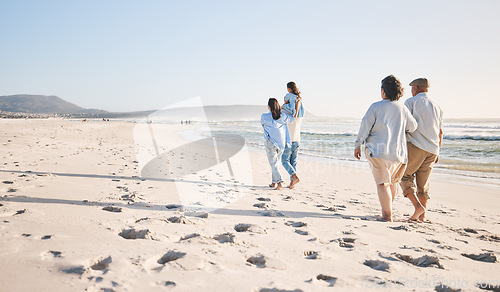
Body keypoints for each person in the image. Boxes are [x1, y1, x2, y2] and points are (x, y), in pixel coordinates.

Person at [354, 75, 417, 222]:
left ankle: (387, 216)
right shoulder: (403, 108)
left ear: (383, 91)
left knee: (382, 183)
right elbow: (413, 127)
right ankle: (386, 211)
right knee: (391, 183)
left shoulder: (375, 106)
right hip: (398, 154)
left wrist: (357, 145)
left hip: (378, 151)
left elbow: (365, 126)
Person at [401, 78, 443, 222]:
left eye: (412, 87)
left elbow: (405, 125)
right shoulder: (437, 106)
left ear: (417, 88)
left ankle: (418, 208)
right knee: (423, 184)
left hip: (416, 146)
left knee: (404, 176)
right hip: (433, 149)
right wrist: (438, 150)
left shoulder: (411, 102)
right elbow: (440, 132)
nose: (411, 90)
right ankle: (422, 217)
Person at [261, 98, 294, 190]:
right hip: (281, 144)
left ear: (269, 107)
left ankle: (279, 182)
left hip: (270, 143)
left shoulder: (264, 117)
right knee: (275, 163)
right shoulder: (283, 117)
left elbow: (263, 124)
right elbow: (292, 119)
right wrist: (285, 106)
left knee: (273, 163)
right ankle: (273, 183)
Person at [281, 81, 305, 189]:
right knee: (293, 162)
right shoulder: (299, 114)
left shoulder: (287, 113)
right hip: (297, 140)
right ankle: (292, 183)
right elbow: (297, 106)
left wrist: (284, 105)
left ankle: (294, 177)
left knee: (284, 160)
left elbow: (280, 113)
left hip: (289, 140)